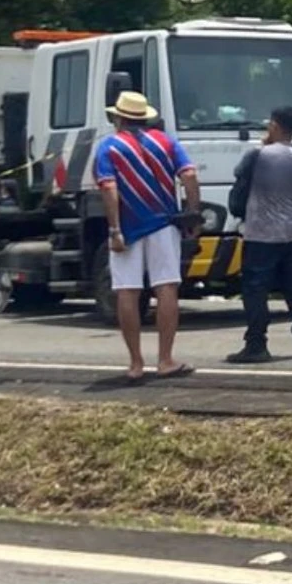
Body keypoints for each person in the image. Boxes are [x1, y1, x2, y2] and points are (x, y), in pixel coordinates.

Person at [93, 90, 201, 382]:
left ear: (118, 118)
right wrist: (193, 212)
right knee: (166, 287)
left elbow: (109, 189)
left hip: (128, 228)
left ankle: (136, 363)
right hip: (165, 226)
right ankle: (165, 359)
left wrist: (115, 229)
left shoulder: (109, 148)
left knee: (127, 290)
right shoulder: (165, 142)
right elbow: (189, 175)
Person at [225, 106, 292, 364]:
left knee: (255, 289)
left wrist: (263, 145)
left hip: (261, 231)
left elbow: (239, 173)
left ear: (275, 126)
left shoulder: (258, 154)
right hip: (291, 231)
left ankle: (256, 343)